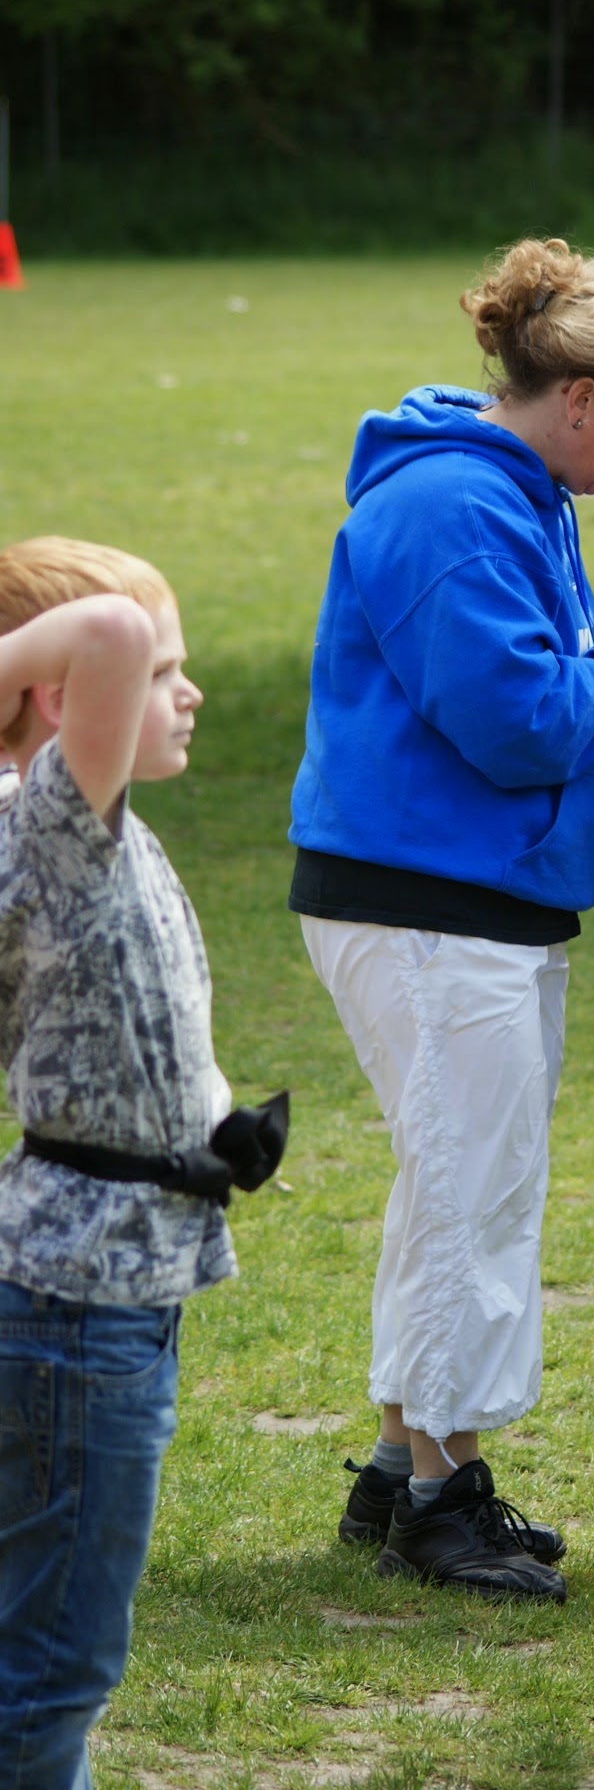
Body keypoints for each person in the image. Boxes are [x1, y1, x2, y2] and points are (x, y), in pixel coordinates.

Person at [290, 238, 594, 1603]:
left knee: (451, 1177)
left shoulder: (514, 492)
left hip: (463, 898)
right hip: (427, 907)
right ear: (583, 395)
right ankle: (442, 1494)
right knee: (472, 1191)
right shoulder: (453, 504)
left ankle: (395, 1468)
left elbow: (527, 703)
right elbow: (509, 713)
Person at [0, 538, 251, 1785]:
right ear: (58, 698)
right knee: (51, 1671)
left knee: (42, 1653)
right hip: (77, 1312)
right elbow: (100, 629)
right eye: (169, 668)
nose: (186, 690)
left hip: (93, 1293)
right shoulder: (52, 817)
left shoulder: (74, 822)